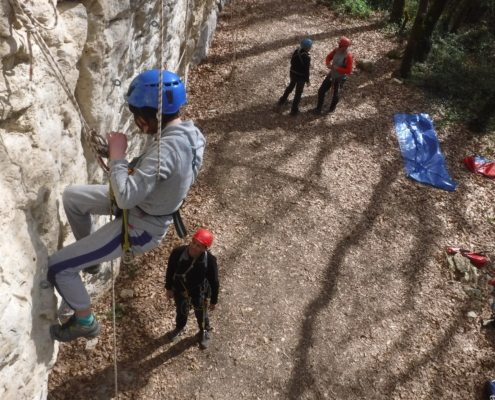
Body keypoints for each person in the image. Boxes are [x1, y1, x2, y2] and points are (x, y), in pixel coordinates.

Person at [48, 70, 206, 342]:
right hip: (143, 204)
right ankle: (93, 263)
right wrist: (122, 162)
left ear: (148, 117)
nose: (137, 123)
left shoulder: (166, 150)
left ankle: (85, 321)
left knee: (58, 267)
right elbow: (155, 177)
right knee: (73, 197)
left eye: (137, 117)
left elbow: (125, 197)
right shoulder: (190, 134)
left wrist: (118, 155)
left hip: (140, 227)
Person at [165, 229, 219, 350]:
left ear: (205, 249)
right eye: (193, 242)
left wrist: (214, 300)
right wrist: (169, 288)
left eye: (198, 245)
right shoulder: (178, 253)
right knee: (181, 310)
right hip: (179, 288)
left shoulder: (209, 260)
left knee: (201, 313)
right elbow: (170, 271)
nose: (194, 247)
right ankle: (180, 326)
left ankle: (204, 331)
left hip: (198, 292)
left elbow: (214, 282)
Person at [310, 37, 353, 115]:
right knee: (321, 90)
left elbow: (349, 71)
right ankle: (318, 108)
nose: (339, 47)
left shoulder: (348, 57)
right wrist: (328, 64)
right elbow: (328, 57)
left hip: (339, 78)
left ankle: (331, 109)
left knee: (335, 94)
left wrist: (337, 68)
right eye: (339, 45)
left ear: (346, 47)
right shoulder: (336, 50)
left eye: (340, 46)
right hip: (331, 75)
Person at [278, 38, 313, 116]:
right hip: (301, 78)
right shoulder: (307, 57)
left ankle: (282, 100)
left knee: (290, 87)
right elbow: (306, 70)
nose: (311, 47)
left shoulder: (296, 51)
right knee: (298, 93)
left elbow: (291, 62)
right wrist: (307, 81)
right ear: (307, 47)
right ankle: (294, 111)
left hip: (293, 74)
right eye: (310, 46)